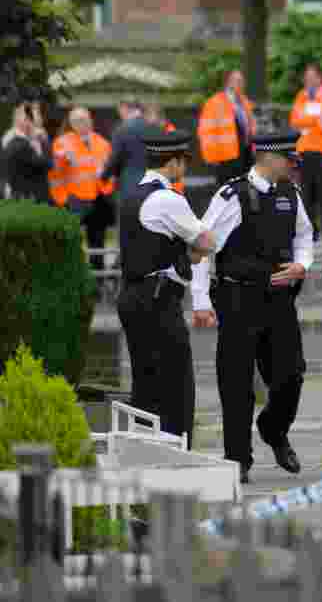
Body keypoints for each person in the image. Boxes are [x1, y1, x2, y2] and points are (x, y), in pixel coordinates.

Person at [191, 130, 313, 484]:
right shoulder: (232, 195)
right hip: (238, 299)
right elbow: (201, 248)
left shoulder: (291, 194)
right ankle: (237, 458)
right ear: (268, 159)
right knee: (237, 381)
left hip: (278, 300)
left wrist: (302, 265)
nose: (293, 166)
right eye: (288, 160)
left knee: (291, 374)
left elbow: (305, 236)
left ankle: (273, 430)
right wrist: (200, 300)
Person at [116, 130, 215, 448]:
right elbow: (207, 242)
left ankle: (144, 448)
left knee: (146, 380)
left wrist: (187, 251)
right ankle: (175, 449)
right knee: (175, 380)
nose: (184, 167)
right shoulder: (168, 199)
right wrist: (192, 251)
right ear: (172, 163)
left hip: (133, 295)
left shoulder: (131, 195)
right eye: (183, 162)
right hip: (158, 298)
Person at [50, 107, 117, 269]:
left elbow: (111, 171)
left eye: (85, 119)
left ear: (91, 120)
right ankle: (73, 276)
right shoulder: (62, 143)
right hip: (74, 199)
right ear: (72, 123)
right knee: (71, 242)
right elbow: (54, 173)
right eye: (78, 120)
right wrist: (62, 198)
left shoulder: (102, 143)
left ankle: (98, 282)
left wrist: (108, 191)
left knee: (97, 243)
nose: (83, 123)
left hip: (98, 198)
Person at [289, 63, 322, 242]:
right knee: (307, 195)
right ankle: (312, 233)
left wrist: (308, 120)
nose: (308, 80)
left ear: (320, 78)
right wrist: (315, 118)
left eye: (312, 76)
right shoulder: (301, 96)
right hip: (304, 150)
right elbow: (295, 121)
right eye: (306, 77)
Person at [197, 70, 257, 186]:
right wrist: (211, 156)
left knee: (244, 190)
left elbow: (250, 126)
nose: (241, 84)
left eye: (242, 81)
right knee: (226, 192)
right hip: (225, 156)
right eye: (237, 81)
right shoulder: (214, 103)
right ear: (228, 82)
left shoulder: (245, 102)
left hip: (245, 154)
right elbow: (205, 132)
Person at [102, 96, 160, 203]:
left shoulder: (121, 130)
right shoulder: (155, 129)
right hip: (154, 188)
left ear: (124, 108)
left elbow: (115, 159)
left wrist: (104, 176)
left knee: (129, 219)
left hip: (129, 189)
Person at [4, 102, 52, 204]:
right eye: (33, 118)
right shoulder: (14, 141)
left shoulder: (38, 137)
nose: (38, 120)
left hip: (37, 194)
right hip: (25, 196)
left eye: (38, 115)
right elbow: (46, 164)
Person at [145, 104, 185, 194]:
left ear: (157, 116)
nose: (146, 120)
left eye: (148, 116)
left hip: (170, 187)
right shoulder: (163, 131)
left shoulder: (170, 134)